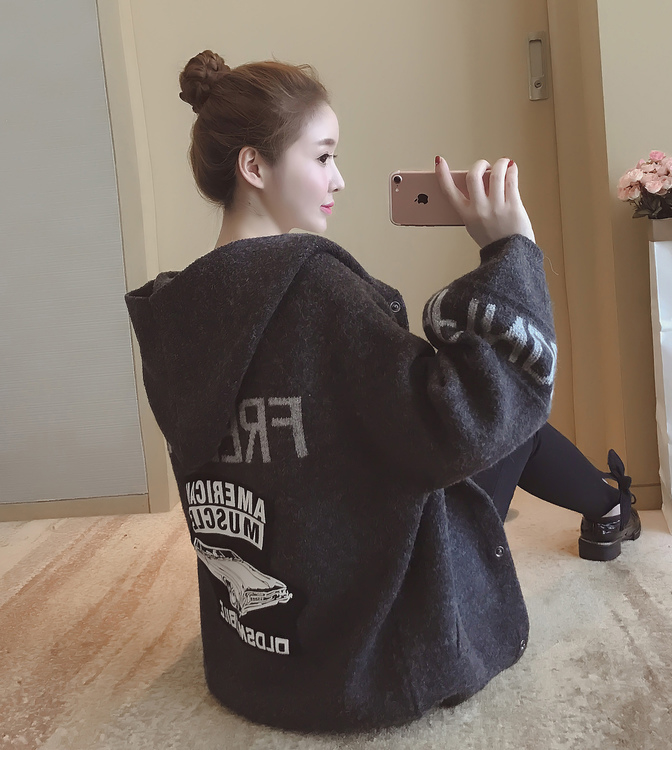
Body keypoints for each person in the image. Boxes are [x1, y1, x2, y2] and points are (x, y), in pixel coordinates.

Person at [124, 51, 641, 733]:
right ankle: (611, 504)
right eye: (323, 156)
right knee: (508, 414)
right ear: (254, 166)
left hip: (260, 648)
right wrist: (509, 251)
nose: (339, 178)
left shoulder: (180, 311)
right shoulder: (316, 289)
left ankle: (609, 503)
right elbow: (466, 416)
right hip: (371, 634)